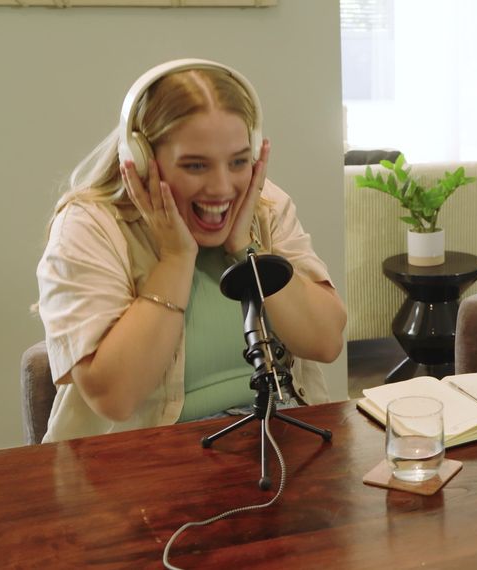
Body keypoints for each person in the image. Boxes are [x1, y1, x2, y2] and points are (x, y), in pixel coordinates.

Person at [37, 59, 346, 442]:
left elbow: (326, 341)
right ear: (143, 160)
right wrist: (176, 259)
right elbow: (115, 397)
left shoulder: (265, 207)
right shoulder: (89, 228)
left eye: (237, 162)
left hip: (275, 441)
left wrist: (244, 247)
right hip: (144, 465)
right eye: (196, 165)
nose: (221, 188)